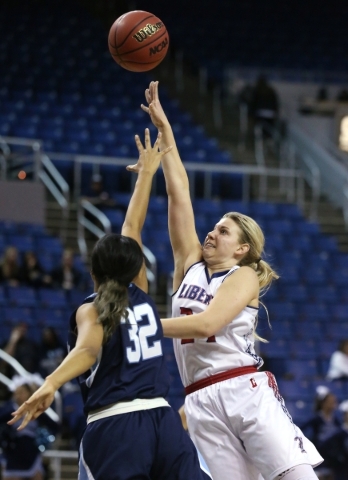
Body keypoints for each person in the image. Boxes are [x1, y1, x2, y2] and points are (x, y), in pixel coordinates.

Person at [141, 80, 324, 480]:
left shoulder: (243, 277)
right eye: (214, 227)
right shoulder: (188, 264)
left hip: (244, 389)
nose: (212, 232)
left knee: (295, 478)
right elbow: (179, 194)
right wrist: (165, 128)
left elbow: (208, 324)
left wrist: (140, 326)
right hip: (200, 401)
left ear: (242, 249)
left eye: (224, 231)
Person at [8, 129, 212, 480]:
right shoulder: (142, 289)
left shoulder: (91, 307)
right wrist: (148, 173)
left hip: (116, 426)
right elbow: (133, 225)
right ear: (136, 268)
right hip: (163, 423)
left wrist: (51, 383)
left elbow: (88, 350)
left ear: (93, 271)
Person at [0, 377, 59, 480]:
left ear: (29, 394)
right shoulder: (8, 409)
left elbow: (55, 427)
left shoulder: (36, 410)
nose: (18, 396)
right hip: (12, 452)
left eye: (22, 392)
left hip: (32, 452)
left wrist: (44, 441)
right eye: (16, 393)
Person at [300, 386, 348, 480]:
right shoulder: (316, 418)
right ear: (323, 403)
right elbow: (301, 429)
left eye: (334, 401)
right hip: (319, 452)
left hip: (332, 455)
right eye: (331, 401)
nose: (333, 404)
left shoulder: (335, 420)